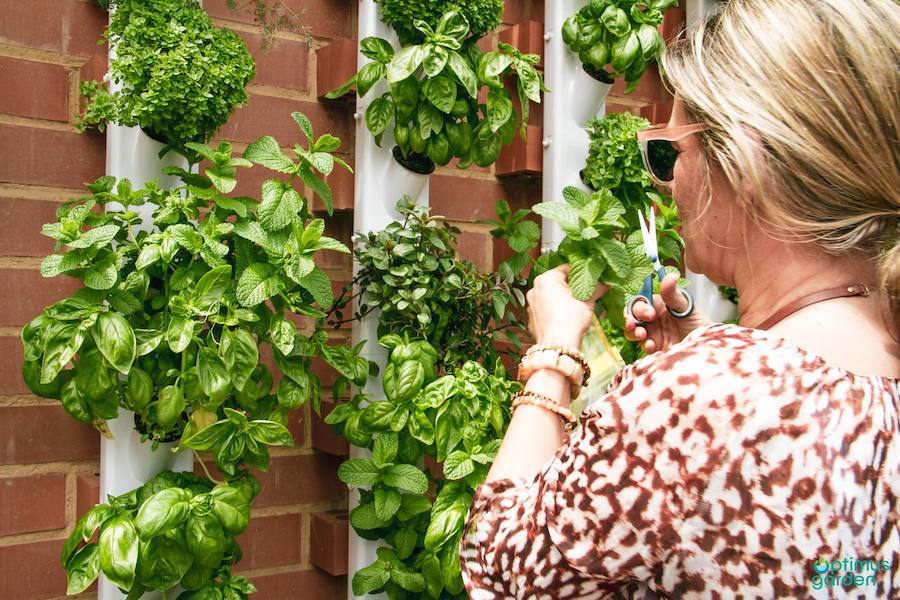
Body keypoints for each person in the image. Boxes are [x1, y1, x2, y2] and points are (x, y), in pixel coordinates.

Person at [459, 0, 899, 597]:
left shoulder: (703, 396)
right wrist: (707, 354)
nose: (665, 184)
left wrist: (554, 355)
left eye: (669, 154)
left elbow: (500, 573)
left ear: (745, 160)